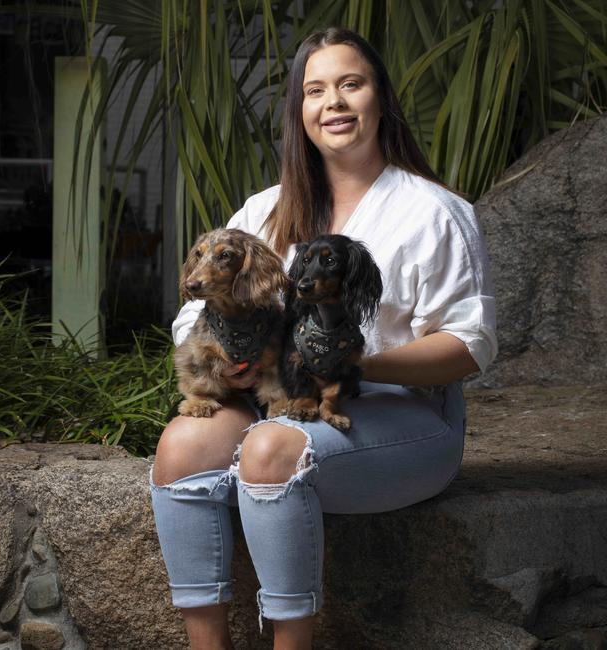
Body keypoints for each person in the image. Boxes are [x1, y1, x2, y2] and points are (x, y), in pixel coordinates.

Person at [150, 27, 497, 650]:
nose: (333, 102)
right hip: (276, 403)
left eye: (350, 84)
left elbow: (468, 346)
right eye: (316, 90)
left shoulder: (434, 212)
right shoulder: (264, 211)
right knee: (181, 446)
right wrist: (228, 362)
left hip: (405, 419)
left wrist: (356, 365)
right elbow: (195, 313)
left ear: (380, 100)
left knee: (269, 451)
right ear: (300, 112)